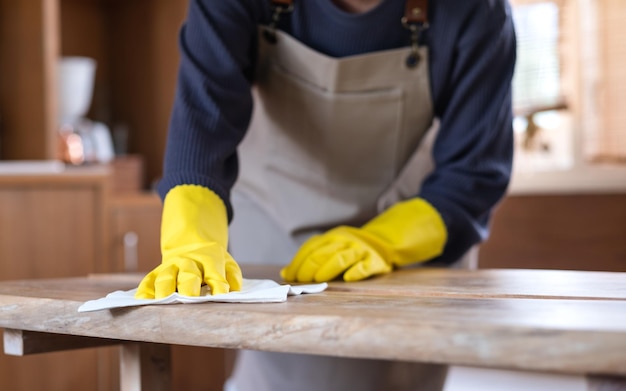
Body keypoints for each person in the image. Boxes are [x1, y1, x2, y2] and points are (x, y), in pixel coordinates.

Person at [136, 0, 516, 390]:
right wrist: (191, 237)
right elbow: (203, 119)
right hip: (276, 220)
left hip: (411, 228)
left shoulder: (477, 11)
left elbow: (473, 174)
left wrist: (383, 241)